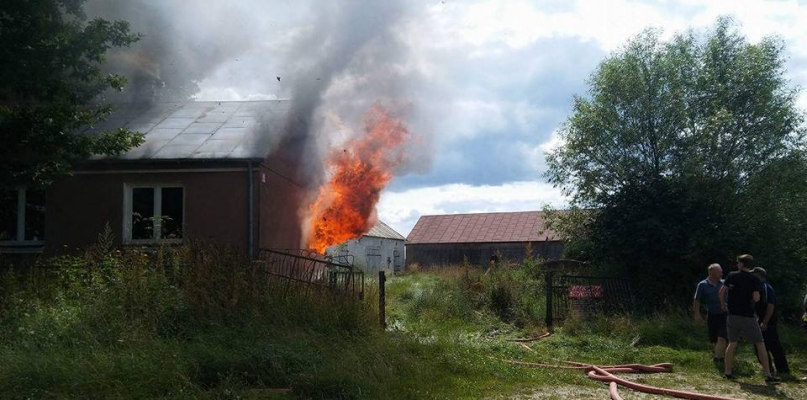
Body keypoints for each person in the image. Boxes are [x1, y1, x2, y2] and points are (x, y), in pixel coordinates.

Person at [718, 254, 779, 382]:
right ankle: (767, 374)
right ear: (750, 265)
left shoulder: (731, 275)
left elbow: (721, 291)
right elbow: (756, 298)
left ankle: (728, 372)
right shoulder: (754, 279)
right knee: (760, 343)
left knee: (732, 343)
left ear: (741, 264)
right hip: (747, 316)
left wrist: (723, 304)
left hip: (732, 315)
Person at [750, 268, 790, 376]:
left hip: (768, 320)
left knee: (773, 345)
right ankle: (768, 369)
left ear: (759, 275)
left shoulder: (766, 287)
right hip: (760, 318)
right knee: (760, 344)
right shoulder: (758, 287)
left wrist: (765, 322)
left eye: (753, 275)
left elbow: (770, 306)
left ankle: (783, 369)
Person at [693, 264, 727, 363]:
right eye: (719, 271)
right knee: (715, 339)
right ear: (712, 273)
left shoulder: (725, 283)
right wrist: (697, 314)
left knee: (722, 336)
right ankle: (720, 358)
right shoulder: (702, 285)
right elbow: (697, 300)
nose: (722, 273)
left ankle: (717, 359)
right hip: (712, 314)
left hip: (725, 314)